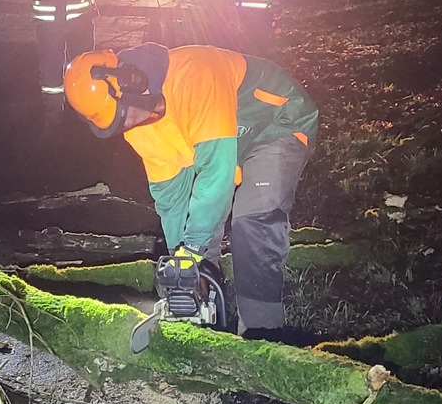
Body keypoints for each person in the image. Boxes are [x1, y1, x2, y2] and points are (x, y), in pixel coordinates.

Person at [63, 41, 318, 338]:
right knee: (193, 240)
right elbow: (171, 199)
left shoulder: (196, 75)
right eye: (120, 123)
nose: (130, 125)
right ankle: (204, 323)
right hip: (229, 137)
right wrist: (181, 264)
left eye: (127, 115)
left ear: (133, 81)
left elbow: (216, 174)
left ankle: (263, 337)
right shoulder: (137, 127)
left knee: (252, 221)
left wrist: (193, 250)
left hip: (277, 124)